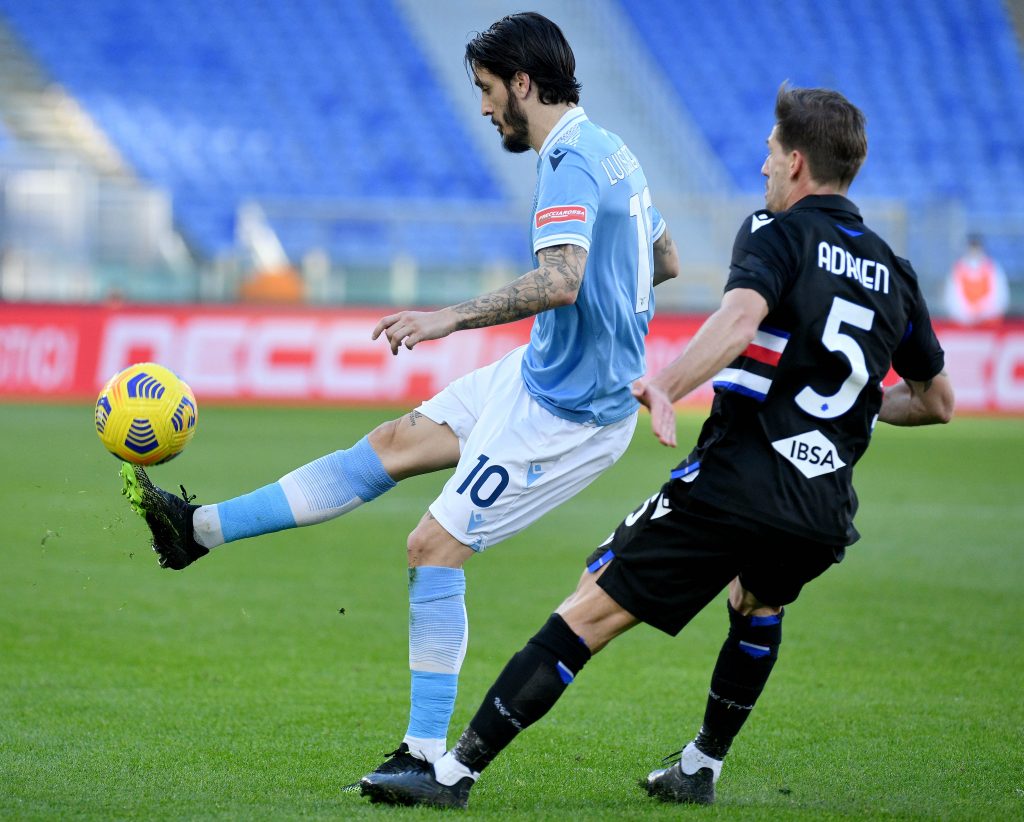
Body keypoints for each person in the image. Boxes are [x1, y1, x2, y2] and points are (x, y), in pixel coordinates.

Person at [120, 11, 679, 791]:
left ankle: (424, 758)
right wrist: (619, 314)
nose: (484, 109)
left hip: (569, 416)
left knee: (430, 547)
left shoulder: (569, 160)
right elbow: (666, 257)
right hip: (540, 373)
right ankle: (197, 531)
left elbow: (561, 280)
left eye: (487, 91)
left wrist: (447, 318)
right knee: (390, 444)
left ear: (523, 82)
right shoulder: (612, 149)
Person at [361, 84, 955, 810]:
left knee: (590, 608)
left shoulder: (777, 232)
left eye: (770, 152)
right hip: (823, 505)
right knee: (758, 604)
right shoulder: (895, 271)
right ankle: (700, 766)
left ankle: (450, 776)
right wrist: (853, 407)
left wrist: (669, 384)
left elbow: (739, 319)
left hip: (738, 479)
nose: (762, 164)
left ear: (798, 163)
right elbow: (936, 402)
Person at [943, 233, 1010, 325]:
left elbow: (1000, 298)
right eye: (972, 246)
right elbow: (952, 300)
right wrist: (968, 315)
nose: (974, 250)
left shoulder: (993, 268)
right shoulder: (957, 270)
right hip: (963, 325)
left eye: (976, 246)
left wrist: (982, 313)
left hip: (989, 324)